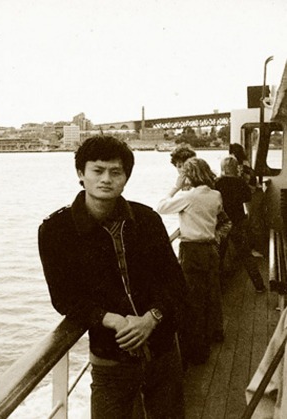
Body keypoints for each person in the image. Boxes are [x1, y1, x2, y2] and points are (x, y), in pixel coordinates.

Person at [39, 136, 186, 419]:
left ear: (126, 178)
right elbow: (64, 298)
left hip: (163, 352)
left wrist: (151, 318)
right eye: (97, 170)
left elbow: (175, 282)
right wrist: (112, 319)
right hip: (110, 360)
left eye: (115, 172)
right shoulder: (57, 230)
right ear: (81, 174)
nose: (106, 179)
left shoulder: (146, 220)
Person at [156, 157, 224, 364]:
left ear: (189, 176)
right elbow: (218, 213)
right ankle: (213, 334)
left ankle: (197, 350)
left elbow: (161, 207)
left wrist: (175, 188)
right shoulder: (216, 195)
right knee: (210, 294)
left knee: (192, 299)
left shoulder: (189, 197)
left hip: (192, 250)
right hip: (211, 249)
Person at [215, 156, 266, 292]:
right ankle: (259, 285)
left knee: (219, 255)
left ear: (223, 168)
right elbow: (247, 197)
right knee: (246, 254)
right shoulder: (240, 183)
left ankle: (220, 287)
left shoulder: (218, 183)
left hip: (223, 223)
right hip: (238, 222)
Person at [229, 143, 265, 257]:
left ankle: (257, 249)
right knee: (255, 221)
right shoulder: (245, 164)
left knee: (254, 222)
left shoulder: (241, 167)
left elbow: (248, 184)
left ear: (234, 154)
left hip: (253, 195)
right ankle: (257, 248)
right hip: (256, 194)